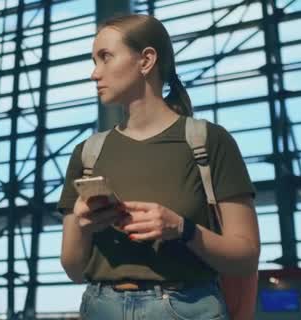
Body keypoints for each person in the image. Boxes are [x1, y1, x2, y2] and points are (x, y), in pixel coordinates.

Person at [57, 13, 260, 320]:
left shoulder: (208, 142)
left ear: (146, 60)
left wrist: (183, 229)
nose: (94, 74)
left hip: (187, 309)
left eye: (105, 58)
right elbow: (73, 269)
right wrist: (82, 228)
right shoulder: (87, 153)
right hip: (100, 308)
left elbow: (245, 257)